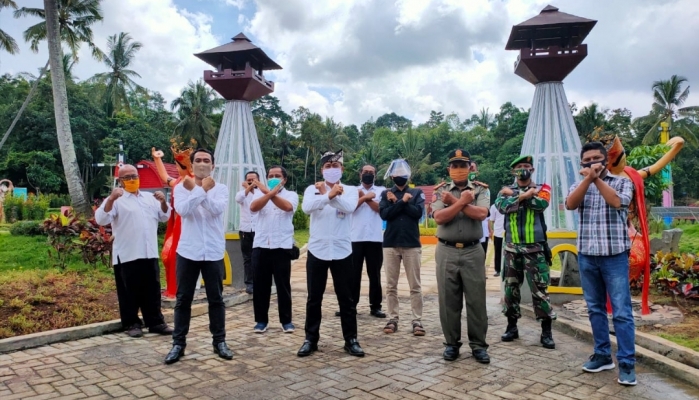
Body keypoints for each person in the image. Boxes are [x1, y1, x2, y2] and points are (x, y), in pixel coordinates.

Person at [565, 142, 637, 386]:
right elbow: (570, 204)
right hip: (587, 255)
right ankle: (603, 355)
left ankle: (627, 363)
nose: (592, 162)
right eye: (587, 159)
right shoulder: (579, 184)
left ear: (606, 161)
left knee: (622, 312)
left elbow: (618, 202)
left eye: (597, 158)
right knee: (595, 309)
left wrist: (595, 179)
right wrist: (588, 179)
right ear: (581, 163)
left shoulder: (621, 181)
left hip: (614, 256)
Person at [165, 148, 233, 364]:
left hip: (213, 251)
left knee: (216, 298)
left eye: (207, 160)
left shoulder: (220, 188)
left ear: (213, 165)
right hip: (188, 250)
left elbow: (216, 210)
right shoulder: (181, 187)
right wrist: (201, 189)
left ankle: (219, 341)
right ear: (192, 165)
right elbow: (183, 211)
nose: (202, 164)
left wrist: (198, 191)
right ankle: (178, 343)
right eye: (198, 161)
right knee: (183, 298)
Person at [298, 150, 364, 357]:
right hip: (317, 249)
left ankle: (351, 340)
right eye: (328, 166)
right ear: (322, 170)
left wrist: (330, 195)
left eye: (335, 166)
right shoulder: (312, 189)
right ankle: (310, 339)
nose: (332, 169)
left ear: (342, 169)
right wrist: (328, 195)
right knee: (313, 298)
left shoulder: (351, 190)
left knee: (346, 298)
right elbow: (307, 208)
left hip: (342, 250)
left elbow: (350, 207)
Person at [95, 164, 173, 338]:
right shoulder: (117, 199)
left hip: (149, 252)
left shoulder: (149, 197)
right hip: (128, 253)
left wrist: (162, 203)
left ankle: (156, 322)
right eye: (127, 177)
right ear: (121, 181)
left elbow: (165, 216)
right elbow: (101, 219)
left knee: (152, 290)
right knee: (129, 291)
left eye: (134, 176)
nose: (132, 180)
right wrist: (110, 199)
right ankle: (131, 323)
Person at [431, 149, 490, 363]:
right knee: (448, 301)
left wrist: (456, 202)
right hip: (446, 250)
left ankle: (478, 345)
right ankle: (451, 344)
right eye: (454, 166)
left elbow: (481, 214)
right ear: (449, 169)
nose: (458, 170)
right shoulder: (441, 190)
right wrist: (463, 202)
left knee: (476, 300)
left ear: (470, 168)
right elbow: (439, 217)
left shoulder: (481, 190)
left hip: (473, 250)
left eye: (462, 165)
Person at [495, 155, 556, 350]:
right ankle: (511, 327)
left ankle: (546, 332)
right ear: (514, 171)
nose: (523, 169)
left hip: (535, 249)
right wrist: (524, 195)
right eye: (520, 167)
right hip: (512, 249)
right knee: (510, 290)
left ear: (533, 169)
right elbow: (503, 207)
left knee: (540, 291)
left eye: (527, 166)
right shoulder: (505, 190)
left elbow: (541, 204)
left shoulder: (543, 188)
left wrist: (518, 196)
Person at [249, 166, 299, 333]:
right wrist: (268, 193)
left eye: (277, 176)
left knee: (283, 286)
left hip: (282, 247)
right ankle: (261, 321)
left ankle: (286, 321)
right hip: (261, 245)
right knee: (260, 286)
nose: (274, 178)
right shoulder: (258, 193)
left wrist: (269, 193)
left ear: (284, 179)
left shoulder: (291, 195)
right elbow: (254, 207)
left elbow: (286, 207)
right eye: (271, 176)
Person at [379, 159, 426, 337]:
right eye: (396, 174)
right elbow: (385, 214)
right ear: (392, 176)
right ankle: (393, 318)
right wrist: (400, 202)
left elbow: (417, 214)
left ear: (407, 175)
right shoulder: (385, 194)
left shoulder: (416, 192)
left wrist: (402, 201)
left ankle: (417, 320)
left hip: (411, 244)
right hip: (390, 243)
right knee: (391, 285)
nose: (399, 177)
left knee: (415, 285)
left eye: (402, 173)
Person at [343, 164, 386, 318]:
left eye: (371, 172)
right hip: (355, 238)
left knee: (374, 274)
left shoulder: (382, 191)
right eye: (365, 172)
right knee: (353, 274)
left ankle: (376, 306)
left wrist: (366, 199)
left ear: (375, 175)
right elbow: (349, 209)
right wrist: (363, 197)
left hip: (375, 238)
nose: (368, 174)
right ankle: (351, 305)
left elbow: (382, 209)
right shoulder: (352, 191)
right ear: (360, 174)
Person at [236, 171, 260, 294]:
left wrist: (251, 188)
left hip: (259, 230)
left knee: (260, 258)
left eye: (253, 179)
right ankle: (249, 284)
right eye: (249, 179)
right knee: (247, 258)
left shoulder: (261, 193)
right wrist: (248, 188)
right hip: (245, 230)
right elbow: (238, 199)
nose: (251, 181)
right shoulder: (242, 193)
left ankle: (259, 282)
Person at [489, 204, 505, 277]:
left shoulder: (511, 203)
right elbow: (491, 219)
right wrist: (491, 230)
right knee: (497, 252)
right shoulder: (494, 206)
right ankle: (498, 270)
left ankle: (505, 269)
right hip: (498, 233)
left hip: (508, 233)